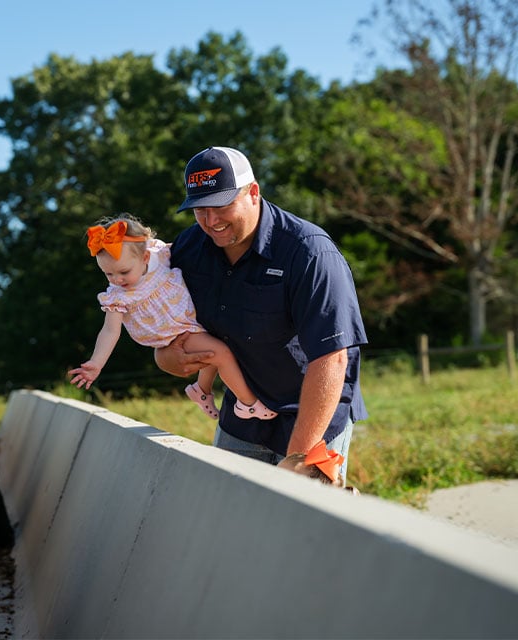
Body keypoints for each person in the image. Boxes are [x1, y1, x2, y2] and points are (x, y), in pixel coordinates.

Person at [155, 146, 368, 485]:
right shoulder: (188, 250)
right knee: (230, 510)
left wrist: (298, 458)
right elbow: (164, 324)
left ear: (253, 192)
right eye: (200, 210)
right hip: (243, 412)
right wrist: (165, 356)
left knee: (304, 520)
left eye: (222, 205)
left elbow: (332, 358)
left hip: (314, 411)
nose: (211, 222)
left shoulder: (310, 252)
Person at [67, 213, 277, 422]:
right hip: (170, 333)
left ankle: (201, 390)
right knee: (221, 353)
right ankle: (248, 404)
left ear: (145, 257)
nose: (116, 279)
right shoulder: (118, 296)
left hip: (188, 322)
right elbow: (110, 330)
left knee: (213, 349)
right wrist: (96, 362)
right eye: (108, 274)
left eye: (123, 272)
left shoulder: (159, 255)